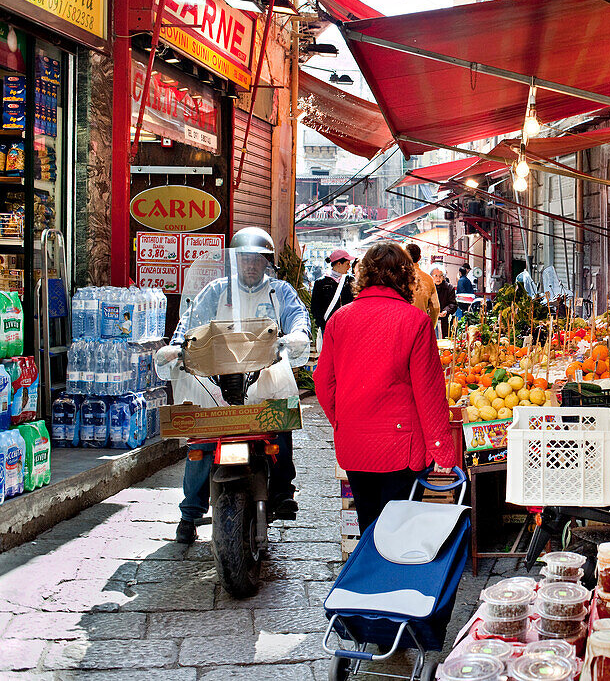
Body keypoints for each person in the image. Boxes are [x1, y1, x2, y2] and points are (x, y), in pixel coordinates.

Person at [160, 227, 311, 544]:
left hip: (263, 381)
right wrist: (176, 348)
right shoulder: (216, 291)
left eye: (257, 259)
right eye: (244, 259)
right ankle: (189, 513)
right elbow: (189, 323)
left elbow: (298, 320)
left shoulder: (280, 292)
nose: (251, 265)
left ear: (267, 262)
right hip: (217, 383)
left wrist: (295, 336)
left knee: (279, 426)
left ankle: (283, 490)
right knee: (200, 444)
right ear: (235, 261)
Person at [314, 243, 460, 531]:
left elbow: (323, 383)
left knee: (368, 523)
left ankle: (370, 573)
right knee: (399, 530)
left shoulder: (339, 320)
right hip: (401, 445)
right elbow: (429, 392)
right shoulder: (415, 321)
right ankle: (391, 574)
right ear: (406, 277)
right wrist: (442, 450)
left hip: (355, 442)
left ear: (363, 275)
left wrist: (342, 421)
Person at [310, 249, 354, 335]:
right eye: (347, 264)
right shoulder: (321, 283)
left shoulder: (350, 281)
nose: (349, 267)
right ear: (338, 264)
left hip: (347, 327)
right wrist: (322, 325)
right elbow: (315, 307)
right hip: (327, 328)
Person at [406, 243, 440, 328]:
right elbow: (435, 307)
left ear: (404, 257)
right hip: (420, 326)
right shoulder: (428, 279)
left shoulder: (397, 278)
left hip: (402, 327)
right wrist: (431, 327)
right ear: (419, 258)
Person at [433, 268, 458, 338]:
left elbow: (453, 304)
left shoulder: (449, 288)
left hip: (445, 321)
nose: (438, 278)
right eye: (436, 275)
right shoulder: (429, 288)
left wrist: (446, 311)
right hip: (431, 320)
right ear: (431, 276)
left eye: (441, 276)